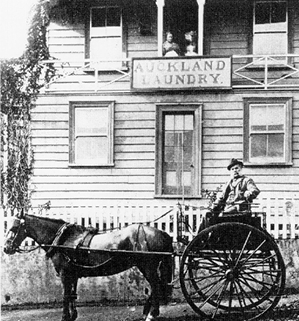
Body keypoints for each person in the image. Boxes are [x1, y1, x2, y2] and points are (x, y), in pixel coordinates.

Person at [198, 159, 260, 232]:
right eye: (232, 169)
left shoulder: (246, 180)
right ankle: (200, 238)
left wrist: (249, 193)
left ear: (241, 168)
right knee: (207, 214)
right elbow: (221, 197)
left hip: (240, 209)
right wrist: (213, 206)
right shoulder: (228, 183)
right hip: (228, 208)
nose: (235, 170)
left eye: (236, 168)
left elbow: (254, 190)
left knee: (223, 215)